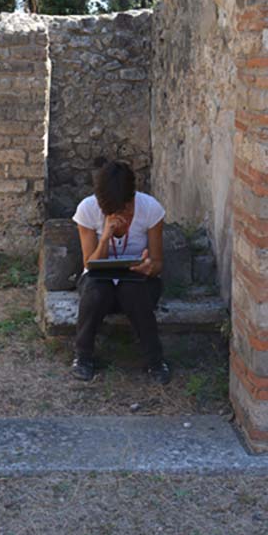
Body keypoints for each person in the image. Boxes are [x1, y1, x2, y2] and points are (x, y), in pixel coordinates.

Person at [70, 159, 171, 385]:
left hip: (138, 282)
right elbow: (90, 263)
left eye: (125, 208)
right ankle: (83, 357)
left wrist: (148, 268)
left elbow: (158, 263)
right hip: (100, 282)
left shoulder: (150, 209)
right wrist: (105, 237)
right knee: (96, 291)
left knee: (132, 290)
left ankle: (155, 361)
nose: (120, 213)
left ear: (132, 197)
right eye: (112, 210)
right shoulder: (88, 209)